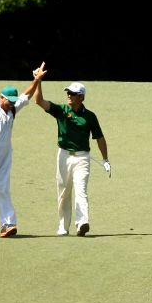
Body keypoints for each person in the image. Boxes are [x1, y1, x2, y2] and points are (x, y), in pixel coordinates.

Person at [0, 62, 47, 238]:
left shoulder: (11, 108)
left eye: (13, 102)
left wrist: (36, 80)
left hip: (5, 156)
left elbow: (26, 95)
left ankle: (8, 224)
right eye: (8, 101)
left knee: (4, 189)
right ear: (1, 97)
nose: (11, 104)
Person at [33, 63, 110, 236]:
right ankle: (63, 226)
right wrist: (38, 81)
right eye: (68, 92)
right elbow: (39, 101)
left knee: (81, 189)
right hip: (63, 156)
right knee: (63, 192)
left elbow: (99, 138)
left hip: (82, 158)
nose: (69, 95)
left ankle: (82, 223)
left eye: (73, 94)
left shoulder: (90, 116)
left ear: (81, 97)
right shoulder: (61, 110)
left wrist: (105, 159)